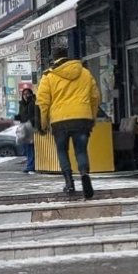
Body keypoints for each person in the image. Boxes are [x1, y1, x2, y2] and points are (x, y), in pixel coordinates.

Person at [36, 47, 100, 199]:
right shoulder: (85, 73)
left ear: (54, 58)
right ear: (68, 56)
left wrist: (43, 125)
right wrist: (91, 117)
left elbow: (42, 103)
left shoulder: (48, 76)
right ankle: (84, 174)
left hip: (60, 122)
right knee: (81, 151)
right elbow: (95, 97)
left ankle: (69, 182)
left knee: (62, 150)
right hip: (82, 120)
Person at [14, 86, 40, 174]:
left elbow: (34, 115)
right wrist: (17, 117)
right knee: (26, 148)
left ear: (31, 94)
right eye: (24, 94)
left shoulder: (33, 103)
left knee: (30, 147)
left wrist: (32, 122)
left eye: (27, 94)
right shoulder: (22, 104)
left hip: (30, 127)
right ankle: (30, 165)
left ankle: (31, 166)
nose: (26, 96)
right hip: (24, 127)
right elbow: (22, 115)